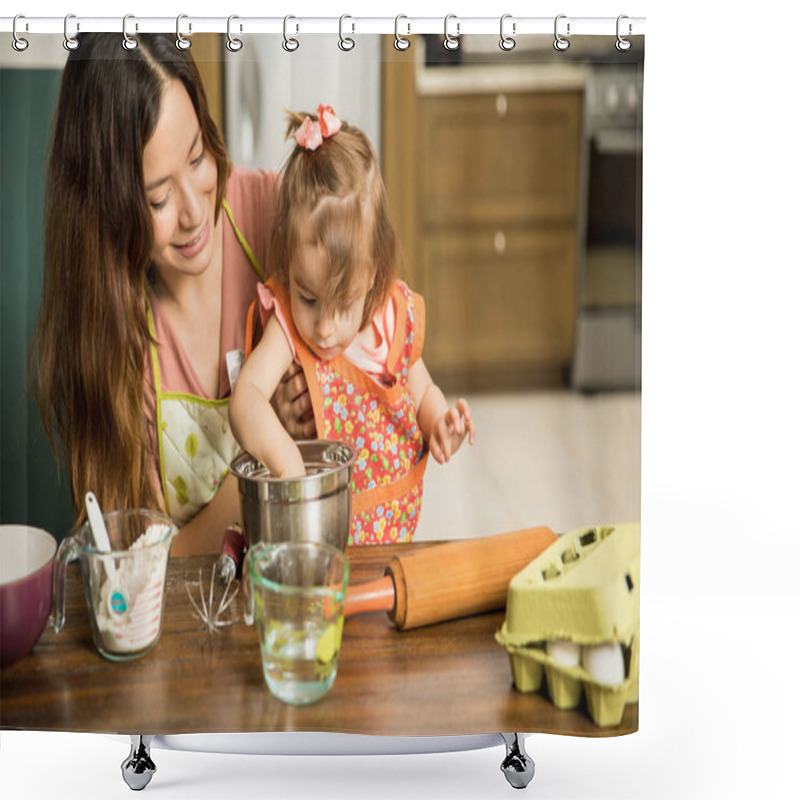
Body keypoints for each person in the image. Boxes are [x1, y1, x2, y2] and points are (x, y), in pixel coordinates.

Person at [29, 33, 313, 555]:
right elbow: (149, 566)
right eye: (158, 198)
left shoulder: (274, 217)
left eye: (198, 157)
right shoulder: (112, 336)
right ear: (107, 213)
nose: (193, 212)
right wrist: (267, 448)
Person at [229, 105, 475, 545]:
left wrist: (439, 423)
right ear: (288, 263)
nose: (324, 328)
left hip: (395, 535)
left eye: (344, 303)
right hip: (319, 539)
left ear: (376, 275)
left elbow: (421, 391)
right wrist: (286, 464)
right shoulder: (287, 325)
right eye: (308, 297)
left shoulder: (390, 313)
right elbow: (245, 398)